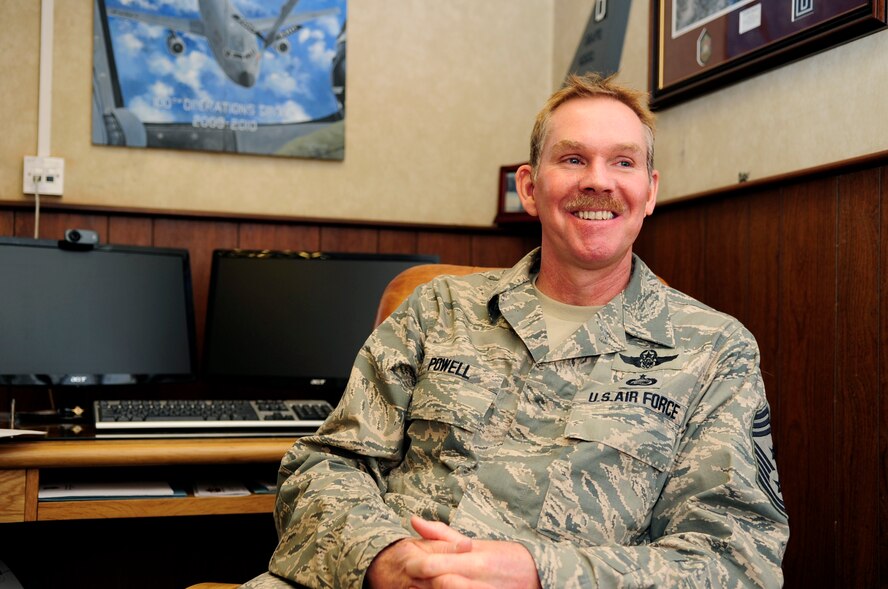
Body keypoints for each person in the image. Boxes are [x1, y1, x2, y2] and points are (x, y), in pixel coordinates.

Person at [244, 73, 789, 589]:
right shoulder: (437, 310)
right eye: (573, 158)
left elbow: (737, 560)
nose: (597, 180)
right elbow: (323, 465)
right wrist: (384, 559)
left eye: (622, 162)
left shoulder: (715, 350)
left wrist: (540, 573)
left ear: (649, 192)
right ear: (530, 187)